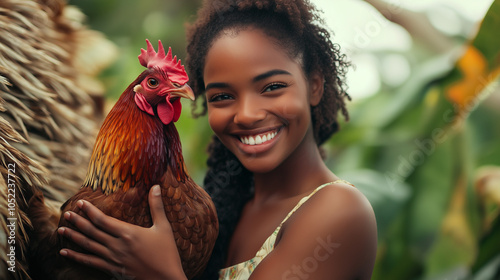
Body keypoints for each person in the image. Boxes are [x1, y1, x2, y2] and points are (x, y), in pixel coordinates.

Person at [57, 0, 378, 279]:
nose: (247, 114)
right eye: (223, 95)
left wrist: (159, 272)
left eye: (272, 87)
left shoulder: (340, 212)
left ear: (315, 85)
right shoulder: (226, 205)